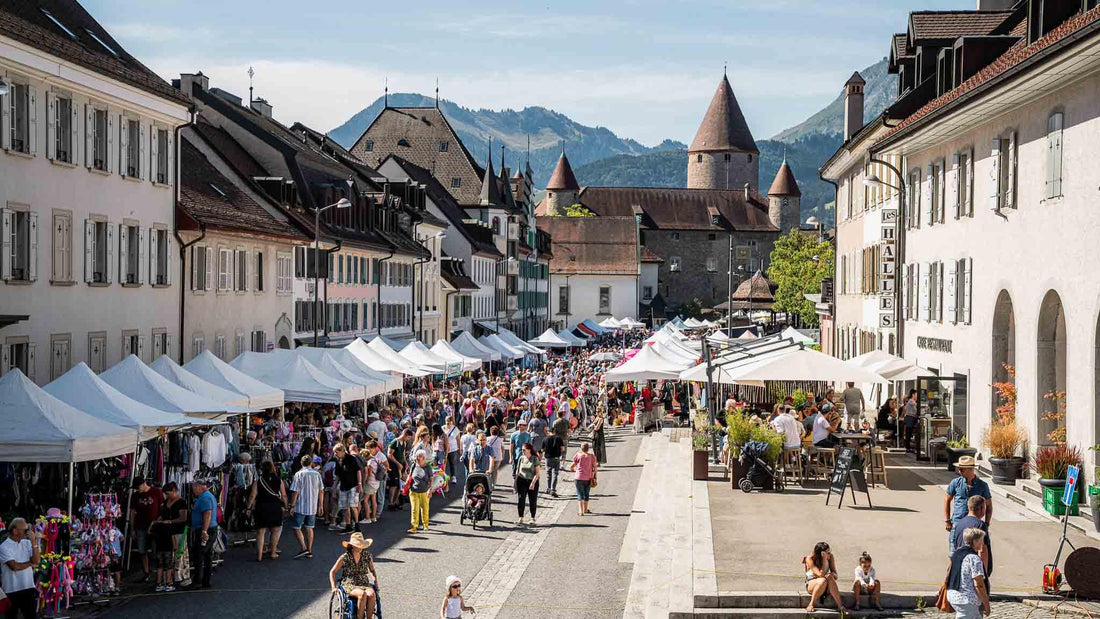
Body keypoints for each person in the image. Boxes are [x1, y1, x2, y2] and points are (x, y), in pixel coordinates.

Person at [945, 456, 992, 550]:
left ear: (971, 469)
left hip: (974, 526)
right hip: (957, 523)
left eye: (962, 469)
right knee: (954, 553)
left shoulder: (982, 485)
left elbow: (989, 505)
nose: (959, 471)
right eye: (959, 469)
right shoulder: (956, 483)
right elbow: (947, 500)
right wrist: (947, 520)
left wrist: (986, 523)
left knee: (974, 552)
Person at [328, 533, 377, 619]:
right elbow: (332, 571)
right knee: (362, 594)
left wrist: (376, 582)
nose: (361, 548)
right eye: (358, 546)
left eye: (362, 546)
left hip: (364, 583)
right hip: (349, 584)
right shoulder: (345, 557)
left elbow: (372, 570)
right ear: (352, 546)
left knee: (372, 594)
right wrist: (333, 587)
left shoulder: (366, 555)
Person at [0, 517, 40, 618]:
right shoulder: (4, 546)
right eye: (25, 530)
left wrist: (34, 543)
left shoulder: (27, 543)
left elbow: (37, 561)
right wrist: (30, 564)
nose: (28, 532)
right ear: (15, 531)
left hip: (28, 587)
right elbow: (14, 566)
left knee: (31, 616)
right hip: (11, 589)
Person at [946, 528, 991, 618]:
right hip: (967, 600)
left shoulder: (956, 553)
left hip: (953, 594)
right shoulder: (974, 558)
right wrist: (986, 604)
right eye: (981, 540)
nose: (982, 543)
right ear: (975, 541)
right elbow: (979, 584)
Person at [151, 482, 187, 592]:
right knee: (167, 559)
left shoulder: (182, 502)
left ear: (174, 490)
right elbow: (162, 514)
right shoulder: (166, 501)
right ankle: (167, 581)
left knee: (177, 557)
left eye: (168, 493)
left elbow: (183, 518)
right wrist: (160, 519)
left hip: (177, 531)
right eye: (166, 494)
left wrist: (170, 521)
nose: (167, 495)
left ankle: (175, 578)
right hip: (166, 532)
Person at [249, 459, 287, 561]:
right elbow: (283, 495)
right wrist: (286, 505)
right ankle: (273, 552)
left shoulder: (258, 481)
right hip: (275, 507)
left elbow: (253, 495)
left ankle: (259, 555)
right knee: (275, 530)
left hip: (261, 507)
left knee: (260, 532)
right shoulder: (279, 480)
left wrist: (248, 506)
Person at [129, 476, 163, 582]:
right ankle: (146, 573)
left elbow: (162, 508)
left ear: (144, 484)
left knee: (156, 551)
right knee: (142, 550)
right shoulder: (135, 496)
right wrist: (132, 528)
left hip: (155, 526)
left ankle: (159, 575)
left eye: (138, 487)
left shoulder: (156, 491)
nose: (137, 490)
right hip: (140, 526)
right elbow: (132, 512)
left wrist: (159, 520)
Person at [290, 455, 324, 559]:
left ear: (301, 463)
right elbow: (321, 490)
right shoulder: (317, 474)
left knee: (297, 527)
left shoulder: (298, 474)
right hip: (312, 506)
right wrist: (320, 505)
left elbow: (295, 491)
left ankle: (304, 548)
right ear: (311, 463)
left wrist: (292, 505)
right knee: (310, 528)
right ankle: (309, 550)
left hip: (300, 506)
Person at [951, 496, 993, 581]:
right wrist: (983, 575)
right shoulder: (980, 525)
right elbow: (982, 550)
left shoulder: (959, 524)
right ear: (981, 508)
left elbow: (956, 547)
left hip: (961, 568)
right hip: (974, 571)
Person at [189, 479, 218, 589]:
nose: (193, 491)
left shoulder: (205, 497)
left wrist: (204, 531)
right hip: (207, 528)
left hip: (206, 529)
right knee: (207, 555)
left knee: (199, 554)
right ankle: (206, 580)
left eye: (194, 488)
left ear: (199, 487)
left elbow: (207, 514)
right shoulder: (205, 496)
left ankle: (198, 581)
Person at [802, 542, 846, 614]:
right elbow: (820, 575)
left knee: (829, 577)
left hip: (826, 585)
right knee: (822, 580)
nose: (829, 554)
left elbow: (836, 575)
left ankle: (840, 606)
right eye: (827, 552)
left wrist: (832, 574)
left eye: (830, 551)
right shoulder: (809, 559)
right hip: (812, 584)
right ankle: (811, 604)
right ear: (821, 554)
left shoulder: (830, 557)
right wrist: (824, 560)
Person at [334, 444, 362, 534]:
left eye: (336, 452)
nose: (335, 454)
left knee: (353, 505)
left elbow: (358, 471)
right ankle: (348, 525)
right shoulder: (338, 461)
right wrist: (334, 488)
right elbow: (338, 476)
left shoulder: (351, 458)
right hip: (343, 486)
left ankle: (357, 525)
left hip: (353, 485)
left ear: (342, 451)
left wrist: (360, 484)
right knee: (345, 507)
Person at [515, 442, 541, 526]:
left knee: (532, 500)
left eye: (524, 450)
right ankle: (520, 517)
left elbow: (537, 473)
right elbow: (518, 471)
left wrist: (533, 483)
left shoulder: (534, 459)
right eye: (522, 450)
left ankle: (532, 518)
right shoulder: (521, 458)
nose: (522, 451)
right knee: (521, 499)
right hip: (521, 480)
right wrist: (515, 482)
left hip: (532, 480)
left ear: (529, 450)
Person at [571, 442, 598, 516]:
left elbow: (573, 464)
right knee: (586, 493)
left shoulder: (578, 455)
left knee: (580, 494)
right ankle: (585, 509)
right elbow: (595, 467)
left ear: (581, 448)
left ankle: (581, 511)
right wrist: (595, 476)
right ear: (588, 449)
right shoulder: (592, 457)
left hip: (578, 477)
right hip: (588, 478)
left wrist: (572, 469)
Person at [408, 450, 432, 533]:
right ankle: (414, 527)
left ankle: (425, 525)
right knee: (414, 509)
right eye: (417, 456)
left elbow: (431, 479)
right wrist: (406, 484)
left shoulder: (428, 467)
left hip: (424, 491)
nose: (417, 458)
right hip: (413, 491)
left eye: (419, 456)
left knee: (425, 508)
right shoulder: (414, 465)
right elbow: (410, 476)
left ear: (424, 458)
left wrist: (430, 489)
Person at [543, 430, 565, 497]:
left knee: (548, 473)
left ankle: (549, 488)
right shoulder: (558, 438)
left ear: (549, 432)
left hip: (548, 458)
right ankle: (553, 489)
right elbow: (563, 449)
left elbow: (542, 449)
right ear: (555, 432)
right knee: (555, 473)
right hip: (556, 458)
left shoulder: (545, 439)